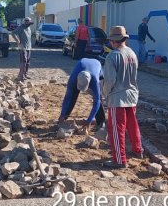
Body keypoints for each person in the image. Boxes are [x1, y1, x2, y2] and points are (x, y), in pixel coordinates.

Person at [102, 26, 143, 169]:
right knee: (132, 124)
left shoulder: (112, 56)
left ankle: (119, 160)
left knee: (116, 129)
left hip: (117, 97)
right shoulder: (132, 53)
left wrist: (104, 94)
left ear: (113, 41)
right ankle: (138, 150)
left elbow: (110, 80)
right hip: (132, 95)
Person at [58, 58, 106, 133]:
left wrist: (89, 120)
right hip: (82, 64)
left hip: (97, 66)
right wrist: (62, 114)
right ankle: (64, 118)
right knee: (72, 96)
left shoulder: (95, 80)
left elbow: (97, 102)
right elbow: (67, 98)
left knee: (98, 98)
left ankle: (101, 122)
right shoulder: (73, 79)